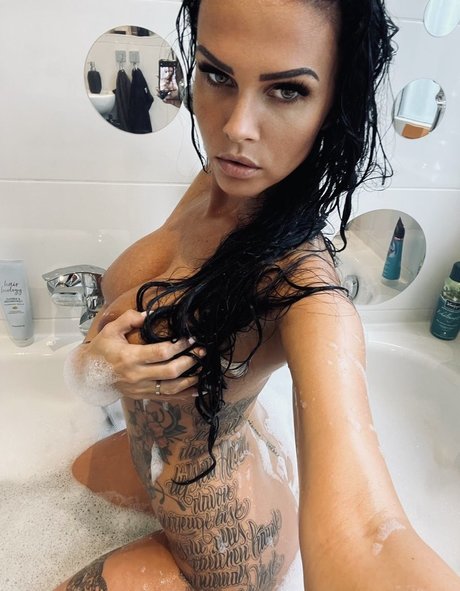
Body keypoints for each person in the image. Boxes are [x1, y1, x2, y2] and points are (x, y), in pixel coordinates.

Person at [54, 1, 460, 590]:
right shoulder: (222, 178)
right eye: (217, 75)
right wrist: (94, 368)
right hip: (182, 458)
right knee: (49, 485)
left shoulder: (303, 289)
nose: (236, 127)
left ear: (333, 105)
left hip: (224, 547)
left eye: (288, 90)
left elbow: (367, 531)